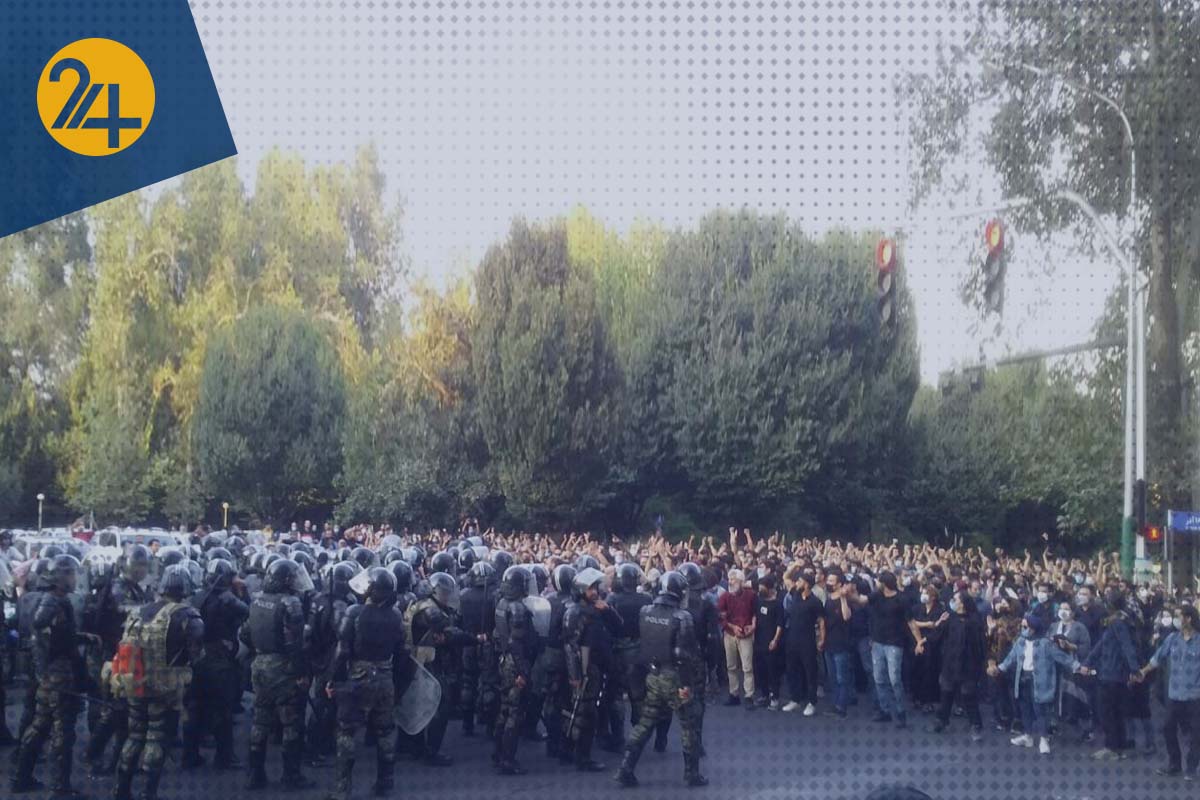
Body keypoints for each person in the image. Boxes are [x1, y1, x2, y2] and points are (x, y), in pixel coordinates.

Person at [112, 563, 205, 800]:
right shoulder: (188, 615)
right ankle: (148, 793)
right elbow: (197, 656)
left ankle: (121, 790)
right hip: (166, 688)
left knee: (134, 736)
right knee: (157, 737)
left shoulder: (139, 612)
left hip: (134, 682)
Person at [11, 555, 97, 796]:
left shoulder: (49, 599)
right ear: (60, 577)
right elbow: (44, 629)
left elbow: (59, 634)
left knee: (40, 725)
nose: (74, 578)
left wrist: (82, 637)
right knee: (63, 731)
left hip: (49, 674)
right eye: (70, 574)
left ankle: (21, 777)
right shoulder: (53, 601)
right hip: (58, 674)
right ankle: (60, 788)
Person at [615, 571, 706, 788]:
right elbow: (683, 655)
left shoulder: (645, 611)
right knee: (689, 723)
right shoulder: (682, 617)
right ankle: (692, 774)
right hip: (675, 676)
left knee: (646, 722)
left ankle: (625, 768)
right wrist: (686, 684)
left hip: (653, 674)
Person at [324, 568, 407, 800]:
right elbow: (402, 652)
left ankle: (342, 790)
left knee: (347, 731)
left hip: (358, 677)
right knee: (386, 731)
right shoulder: (396, 615)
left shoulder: (354, 612)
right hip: (385, 676)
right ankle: (385, 783)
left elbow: (342, 651)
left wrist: (332, 679)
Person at [240, 558, 315, 790]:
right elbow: (296, 644)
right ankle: (291, 776)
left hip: (260, 664)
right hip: (283, 667)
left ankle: (255, 775)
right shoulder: (290, 603)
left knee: (260, 720)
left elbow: (244, 633)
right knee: (291, 722)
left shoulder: (256, 599)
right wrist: (301, 673)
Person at [182, 557, 248, 771]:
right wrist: (240, 591)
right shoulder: (227, 599)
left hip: (196, 657)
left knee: (195, 707)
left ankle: (190, 755)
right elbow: (246, 611)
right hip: (218, 658)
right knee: (222, 709)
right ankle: (224, 757)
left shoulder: (196, 596)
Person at [991, 613, 1087, 755]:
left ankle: (1043, 738)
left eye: (1025, 627)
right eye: (1022, 627)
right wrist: (999, 669)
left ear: (1033, 628)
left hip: (1039, 681)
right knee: (1025, 708)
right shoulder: (1021, 641)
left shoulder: (1045, 643)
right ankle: (1028, 736)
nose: (1023, 629)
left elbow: (1061, 657)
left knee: (1040, 710)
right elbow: (1010, 658)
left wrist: (1078, 666)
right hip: (1022, 679)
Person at [564, 567, 622, 772]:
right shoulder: (575, 612)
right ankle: (581, 756)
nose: (595, 592)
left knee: (587, 713)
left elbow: (618, 627)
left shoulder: (597, 609)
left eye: (596, 587)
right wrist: (575, 675)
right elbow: (571, 646)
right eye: (590, 588)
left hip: (596, 667)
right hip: (584, 669)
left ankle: (576, 752)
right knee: (585, 714)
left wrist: (607, 610)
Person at [1133, 604, 1200, 779]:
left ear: (1188, 619)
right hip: (1174, 694)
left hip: (1194, 695)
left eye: (1178, 616)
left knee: (1196, 733)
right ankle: (1174, 764)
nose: (1175, 619)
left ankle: (1191, 767)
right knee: (1168, 728)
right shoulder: (1172, 638)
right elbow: (1157, 658)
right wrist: (1143, 672)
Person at [304, 561, 357, 766]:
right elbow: (342, 637)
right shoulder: (339, 605)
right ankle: (314, 748)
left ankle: (322, 744)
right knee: (324, 704)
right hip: (332, 659)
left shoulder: (318, 599)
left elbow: (309, 634)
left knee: (326, 703)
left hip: (320, 657)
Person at [1083, 587, 1141, 761]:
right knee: (1115, 711)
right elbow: (1101, 645)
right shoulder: (1116, 621)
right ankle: (1118, 746)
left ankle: (1112, 747)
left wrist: (1134, 669)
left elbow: (1126, 646)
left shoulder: (1118, 623)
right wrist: (1087, 662)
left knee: (1107, 711)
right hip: (1111, 671)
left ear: (1111, 605)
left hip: (1113, 673)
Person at [492, 565, 538, 775]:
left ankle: (498, 752)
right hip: (515, 662)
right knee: (515, 712)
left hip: (505, 660)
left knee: (504, 708)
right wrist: (523, 671)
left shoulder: (502, 603)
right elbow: (516, 642)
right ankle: (507, 760)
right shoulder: (517, 608)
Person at [923, 589, 985, 740]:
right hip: (950, 663)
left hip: (968, 664)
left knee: (968, 695)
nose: (953, 602)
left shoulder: (975, 621)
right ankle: (942, 721)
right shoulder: (950, 618)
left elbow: (981, 645)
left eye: (956, 599)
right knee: (946, 692)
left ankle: (976, 725)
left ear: (963, 603)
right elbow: (937, 634)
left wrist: (981, 666)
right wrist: (924, 640)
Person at [605, 562, 652, 749]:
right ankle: (639, 736)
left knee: (616, 696)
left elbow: (607, 626)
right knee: (638, 695)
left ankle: (618, 738)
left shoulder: (612, 599)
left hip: (617, 650)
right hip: (639, 650)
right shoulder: (646, 599)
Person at [862, 571, 911, 728]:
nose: (876, 584)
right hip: (877, 642)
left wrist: (918, 641)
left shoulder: (901, 599)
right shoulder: (877, 595)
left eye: (878, 582)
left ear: (884, 584)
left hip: (894, 644)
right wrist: (848, 595)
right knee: (879, 678)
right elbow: (862, 600)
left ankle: (901, 712)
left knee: (894, 680)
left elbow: (910, 621)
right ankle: (885, 710)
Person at [540, 564, 576, 763]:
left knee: (551, 699)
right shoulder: (572, 603)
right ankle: (564, 744)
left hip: (547, 654)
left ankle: (552, 742)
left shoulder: (547, 600)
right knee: (567, 700)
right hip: (565, 655)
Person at [782, 567, 824, 715]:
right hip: (792, 639)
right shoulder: (795, 594)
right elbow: (786, 578)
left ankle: (811, 702)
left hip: (808, 641)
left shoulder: (815, 601)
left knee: (810, 671)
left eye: (799, 581)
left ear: (806, 584)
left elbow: (821, 621)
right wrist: (795, 565)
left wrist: (822, 639)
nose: (796, 583)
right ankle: (795, 699)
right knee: (792, 670)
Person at [717, 569, 756, 708]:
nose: (730, 582)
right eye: (729, 579)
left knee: (747, 667)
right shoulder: (724, 597)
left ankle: (749, 695)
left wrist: (753, 626)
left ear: (741, 581)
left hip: (746, 634)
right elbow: (721, 616)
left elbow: (755, 613)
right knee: (731, 666)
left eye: (733, 579)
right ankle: (733, 694)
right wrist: (732, 627)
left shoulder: (751, 595)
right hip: (730, 634)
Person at [908, 583, 945, 714]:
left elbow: (938, 629)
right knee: (915, 670)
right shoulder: (917, 608)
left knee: (930, 673)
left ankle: (928, 701)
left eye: (926, 593)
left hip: (931, 645)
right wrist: (927, 625)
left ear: (933, 596)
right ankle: (916, 697)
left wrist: (924, 639)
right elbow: (911, 622)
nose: (923, 595)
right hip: (916, 642)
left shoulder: (939, 610)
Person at [821, 572, 854, 718]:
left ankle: (841, 707)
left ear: (839, 584)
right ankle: (835, 704)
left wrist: (843, 598)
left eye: (832, 581)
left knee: (842, 678)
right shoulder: (828, 599)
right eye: (828, 580)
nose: (829, 583)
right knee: (833, 677)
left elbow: (846, 617)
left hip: (841, 644)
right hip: (829, 643)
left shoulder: (844, 599)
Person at [752, 576, 784, 710]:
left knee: (772, 671)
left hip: (771, 642)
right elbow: (755, 616)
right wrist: (753, 626)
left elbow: (780, 624)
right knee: (761, 670)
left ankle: (775, 697)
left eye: (762, 587)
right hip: (759, 641)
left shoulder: (777, 604)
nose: (760, 590)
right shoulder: (759, 601)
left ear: (770, 588)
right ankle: (764, 695)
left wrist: (775, 640)